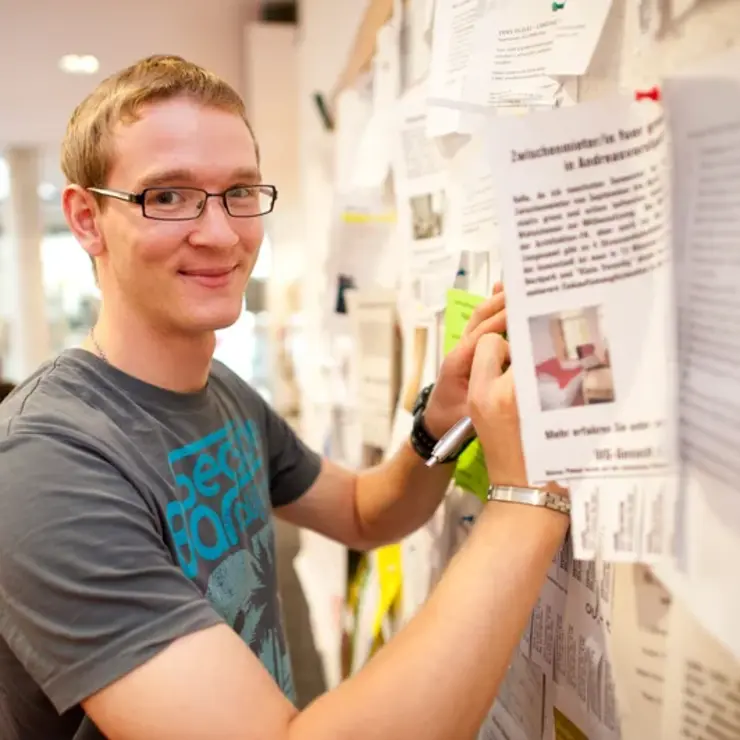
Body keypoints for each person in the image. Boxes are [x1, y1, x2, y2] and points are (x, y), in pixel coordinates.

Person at [0, 55, 569, 740]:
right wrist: (529, 502)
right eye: (168, 196)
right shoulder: (42, 467)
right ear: (86, 220)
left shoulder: (221, 393)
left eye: (239, 191)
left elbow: (364, 513)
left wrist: (440, 424)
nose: (220, 233)